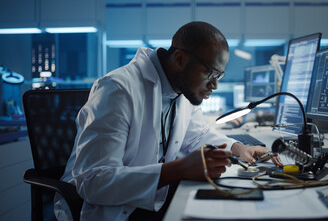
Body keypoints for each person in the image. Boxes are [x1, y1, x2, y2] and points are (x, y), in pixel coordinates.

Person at [54, 21, 282, 221]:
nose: (215, 85)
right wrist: (178, 169)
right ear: (180, 59)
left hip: (153, 199)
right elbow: (93, 181)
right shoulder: (117, 89)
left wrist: (238, 147)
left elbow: (198, 135)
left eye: (219, 76)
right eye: (210, 73)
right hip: (109, 209)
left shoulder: (179, 90)